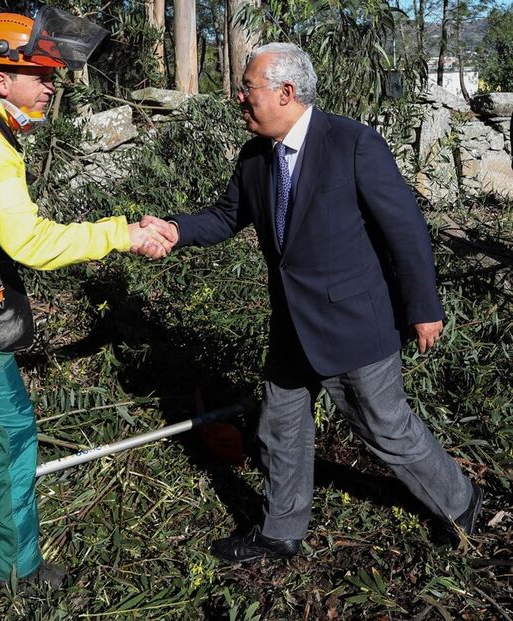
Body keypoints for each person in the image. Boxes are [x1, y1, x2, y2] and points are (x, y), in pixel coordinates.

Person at [140, 42, 482, 563]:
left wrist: (423, 307)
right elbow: (228, 215)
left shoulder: (352, 143)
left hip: (355, 323)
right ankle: (280, 530)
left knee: (384, 428)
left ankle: (461, 505)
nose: (238, 98)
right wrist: (176, 229)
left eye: (247, 88)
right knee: (280, 427)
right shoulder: (255, 155)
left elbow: (405, 231)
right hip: (291, 326)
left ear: (286, 92)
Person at [0, 9, 175, 598]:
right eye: (42, 75)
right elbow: (31, 243)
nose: (53, 86)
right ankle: (10, 569)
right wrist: (120, 233)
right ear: (2, 80)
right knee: (10, 431)